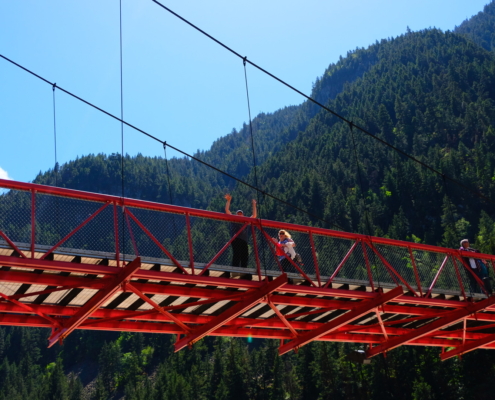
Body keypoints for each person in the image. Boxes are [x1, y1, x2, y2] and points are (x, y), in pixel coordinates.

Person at [224, 194, 257, 268]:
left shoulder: (245, 221)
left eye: (241, 214)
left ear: (243, 215)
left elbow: (254, 216)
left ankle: (244, 270)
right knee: (237, 254)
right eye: (238, 214)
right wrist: (229, 201)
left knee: (245, 255)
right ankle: (235, 269)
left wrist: (254, 206)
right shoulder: (233, 219)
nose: (239, 215)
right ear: (236, 215)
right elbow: (227, 210)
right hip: (235, 239)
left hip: (244, 240)